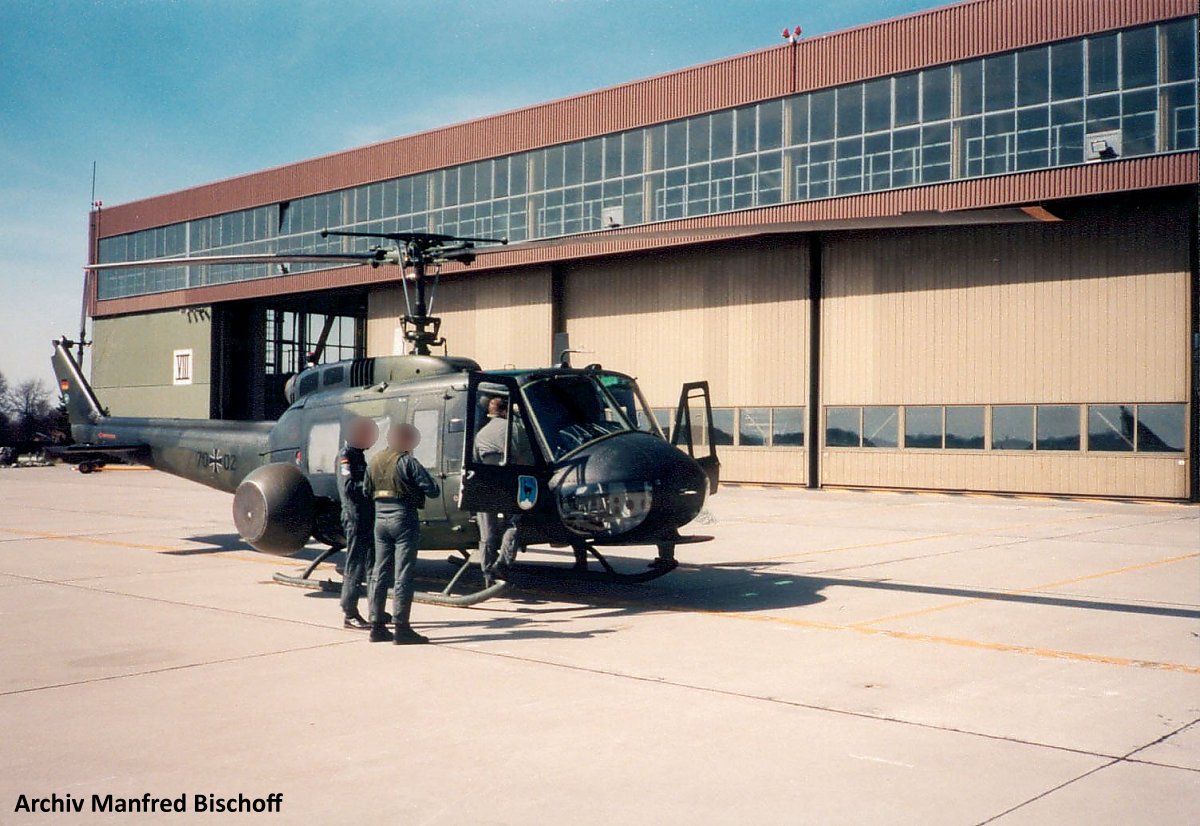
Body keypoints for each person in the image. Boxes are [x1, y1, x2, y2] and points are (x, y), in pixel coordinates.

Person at [363, 422, 441, 644]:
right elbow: (433, 490)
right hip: (403, 518)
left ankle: (376, 626)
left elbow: (366, 490)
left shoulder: (374, 460)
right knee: (403, 573)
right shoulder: (407, 461)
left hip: (380, 520)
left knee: (379, 572)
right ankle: (401, 628)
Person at [336, 416, 378, 630]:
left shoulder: (359, 456)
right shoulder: (346, 456)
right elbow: (349, 486)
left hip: (367, 516)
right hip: (355, 517)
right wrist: (371, 486)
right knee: (355, 565)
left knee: (372, 564)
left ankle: (376, 610)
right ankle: (349, 612)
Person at [472, 396, 510, 583]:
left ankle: (487, 572)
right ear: (505, 411)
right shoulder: (512, 428)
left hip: (484, 483)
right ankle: (502, 563)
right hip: (507, 483)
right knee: (514, 524)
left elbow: (475, 459)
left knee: (486, 532)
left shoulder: (480, 434)